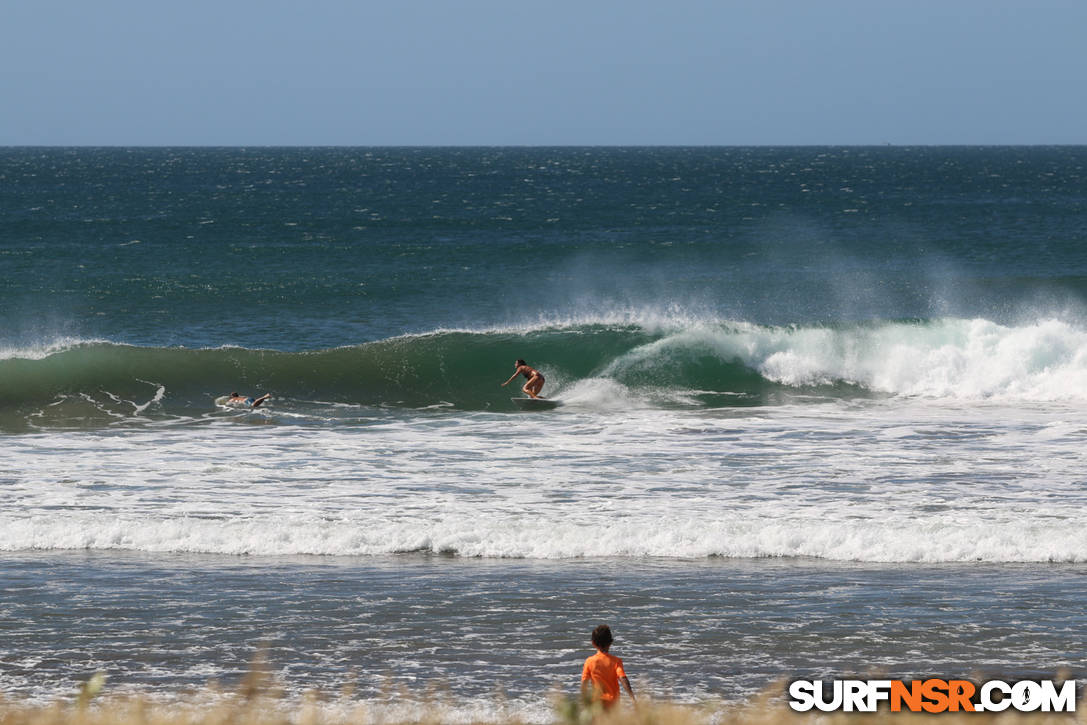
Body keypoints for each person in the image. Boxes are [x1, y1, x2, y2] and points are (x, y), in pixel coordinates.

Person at [580, 624, 636, 710]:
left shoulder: (589, 661)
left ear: (593, 643)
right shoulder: (616, 661)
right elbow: (623, 679)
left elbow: (584, 684)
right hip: (613, 704)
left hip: (596, 704)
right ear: (610, 642)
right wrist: (632, 699)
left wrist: (584, 703)